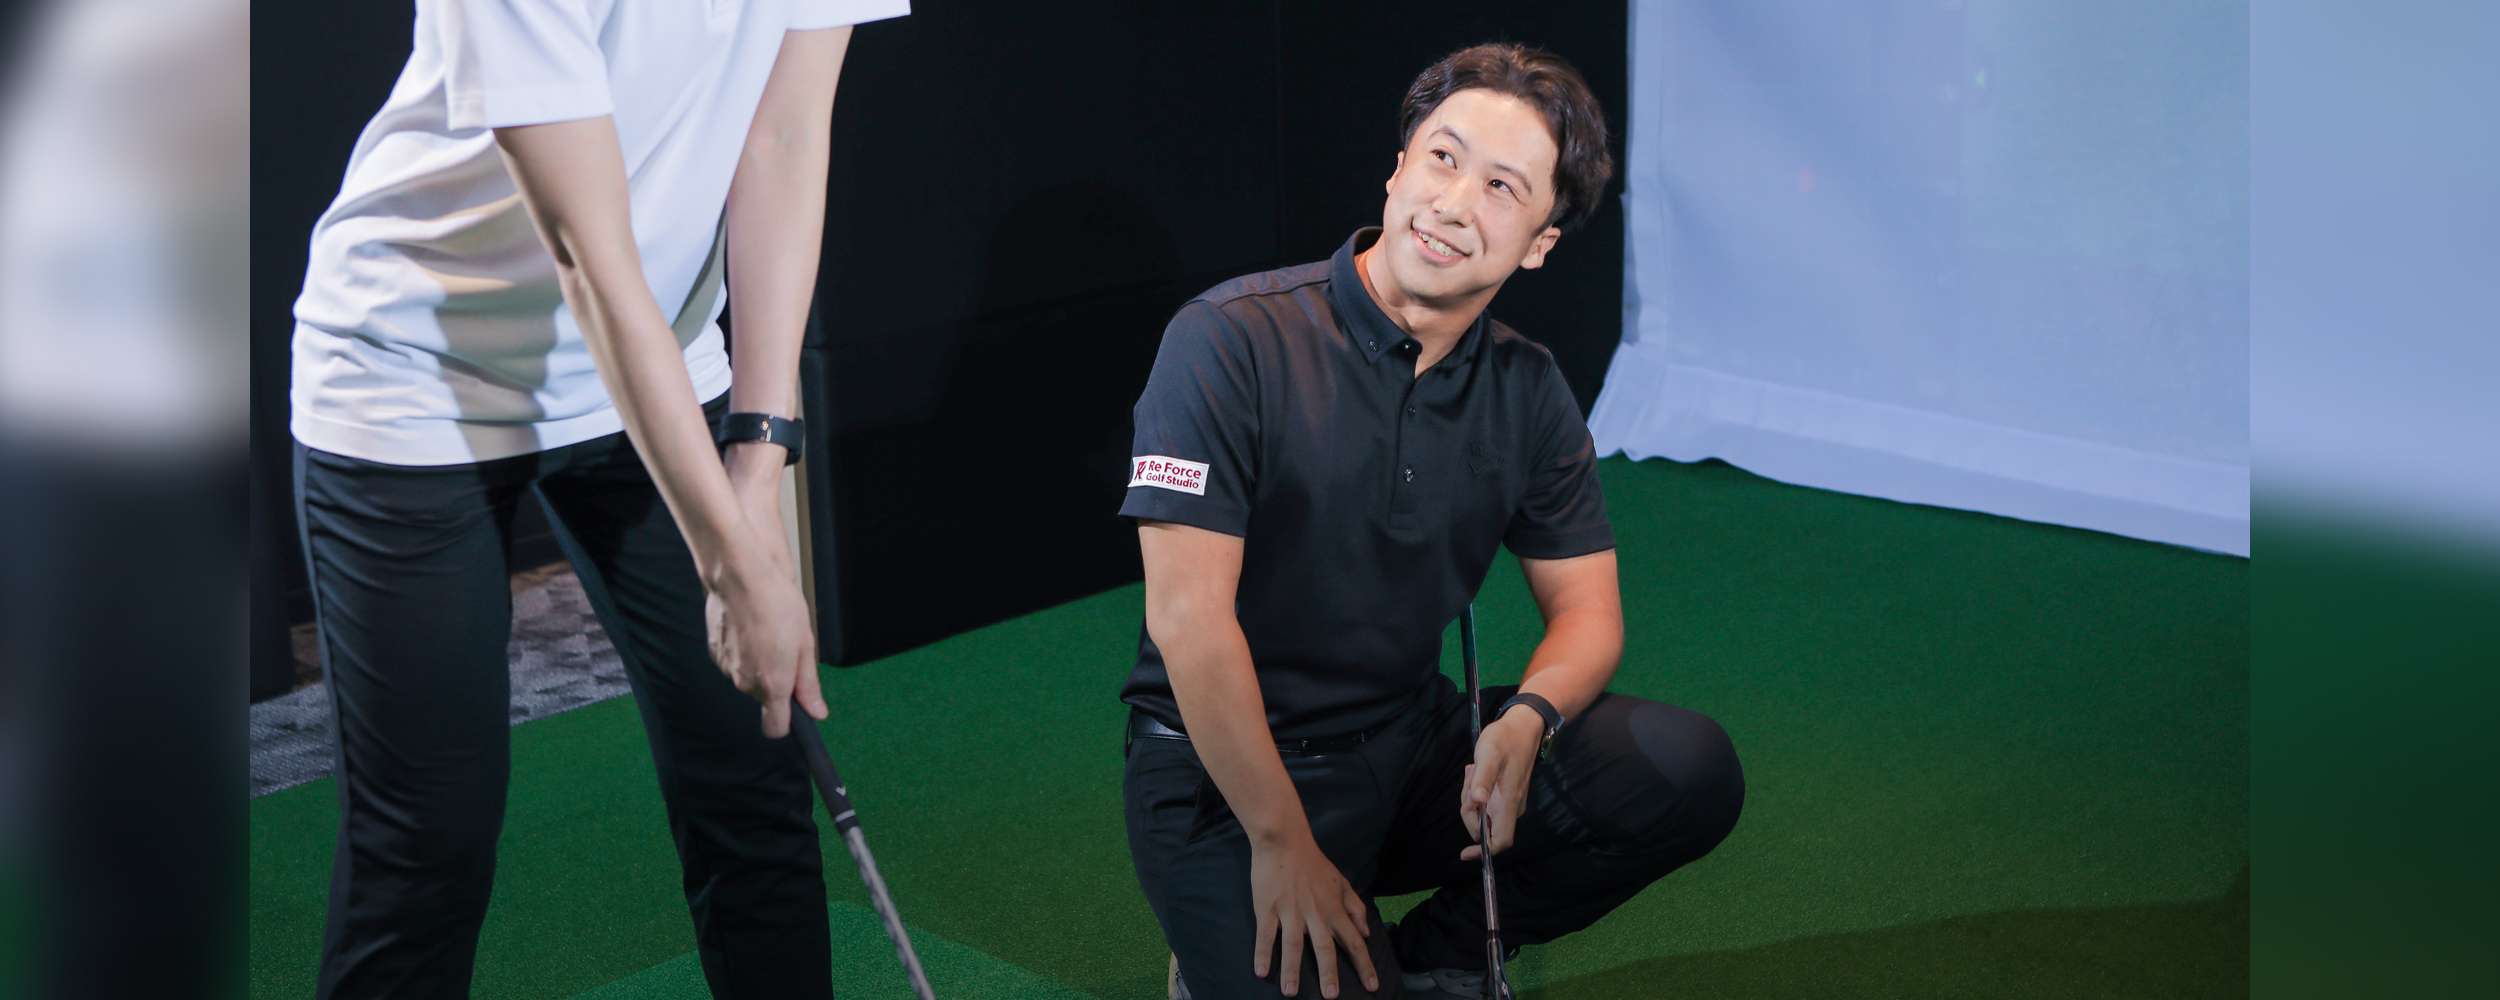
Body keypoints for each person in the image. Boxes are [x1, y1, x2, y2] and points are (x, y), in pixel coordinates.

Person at [287, 1, 907, 996]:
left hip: (664, 361)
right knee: (428, 841)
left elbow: (785, 137)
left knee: (752, 778)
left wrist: (758, 460)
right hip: (417, 378)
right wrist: (732, 561)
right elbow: (589, 257)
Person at [1120, 44, 1746, 1000]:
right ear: (1398, 169)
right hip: (1221, 776)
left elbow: (1588, 612)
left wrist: (1528, 720)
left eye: (1502, 187)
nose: (1454, 204)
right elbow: (1187, 620)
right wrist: (1279, 840)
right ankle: (1224, 946)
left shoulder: (1528, 387)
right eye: (1443, 158)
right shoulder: (1229, 339)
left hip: (1410, 749)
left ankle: (1441, 953)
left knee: (1683, 768)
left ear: (1540, 242)